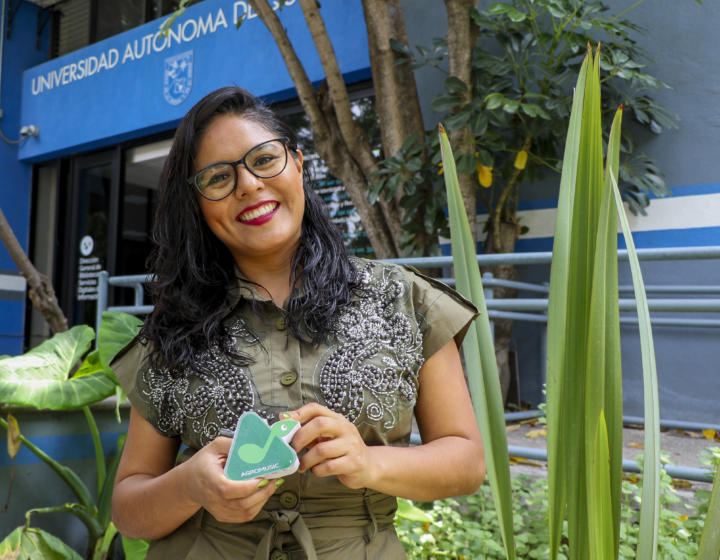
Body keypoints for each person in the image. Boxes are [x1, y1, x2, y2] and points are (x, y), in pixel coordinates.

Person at [111, 86, 486, 560]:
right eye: (218, 178)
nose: (248, 184)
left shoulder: (404, 299)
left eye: (264, 160)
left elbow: (467, 462)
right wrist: (189, 486)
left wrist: (370, 462)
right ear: (199, 206)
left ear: (299, 165)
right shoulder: (175, 327)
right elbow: (127, 509)